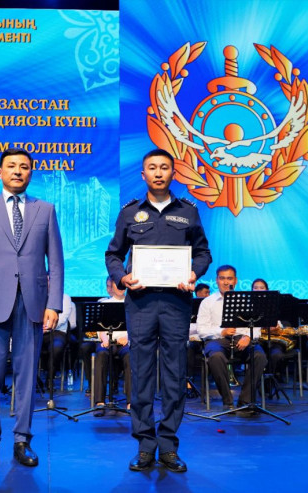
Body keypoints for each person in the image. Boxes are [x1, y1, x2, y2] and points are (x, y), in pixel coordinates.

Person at [106, 148, 211, 473]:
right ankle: (144, 445)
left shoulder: (188, 212)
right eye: (152, 168)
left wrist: (194, 273)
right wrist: (122, 277)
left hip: (177, 303)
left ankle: (168, 446)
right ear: (144, 174)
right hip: (141, 303)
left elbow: (203, 253)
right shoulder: (130, 213)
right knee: (141, 374)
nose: (158, 172)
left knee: (175, 375)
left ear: (173, 173)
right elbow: (113, 254)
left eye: (164, 167)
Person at [0, 147, 64, 468]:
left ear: (31, 172)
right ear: (0, 172)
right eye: (11, 166)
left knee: (27, 375)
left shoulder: (45, 210)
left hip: (32, 302)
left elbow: (56, 263)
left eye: (24, 166)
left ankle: (22, 440)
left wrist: (54, 304)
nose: (18, 171)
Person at [197, 266, 267, 416]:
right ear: (216, 280)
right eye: (222, 278)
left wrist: (248, 337)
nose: (225, 282)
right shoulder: (207, 302)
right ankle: (227, 401)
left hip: (242, 339)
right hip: (218, 340)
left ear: (235, 280)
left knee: (259, 356)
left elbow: (256, 326)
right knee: (215, 357)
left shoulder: (246, 301)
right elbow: (201, 330)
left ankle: (245, 401)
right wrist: (221, 331)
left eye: (229, 278)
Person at [92, 277, 130, 416]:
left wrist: (128, 337)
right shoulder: (105, 303)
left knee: (130, 356)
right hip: (107, 341)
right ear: (112, 286)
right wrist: (104, 338)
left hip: (124, 343)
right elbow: (99, 327)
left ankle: (131, 402)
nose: (119, 288)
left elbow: (137, 326)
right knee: (101, 354)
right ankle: (100, 402)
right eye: (116, 285)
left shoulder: (131, 303)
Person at [40, 291, 75, 383]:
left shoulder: (65, 297)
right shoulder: (38, 294)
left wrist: (45, 328)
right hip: (39, 332)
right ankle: (33, 380)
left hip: (57, 332)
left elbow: (62, 318)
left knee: (56, 348)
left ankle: (50, 379)